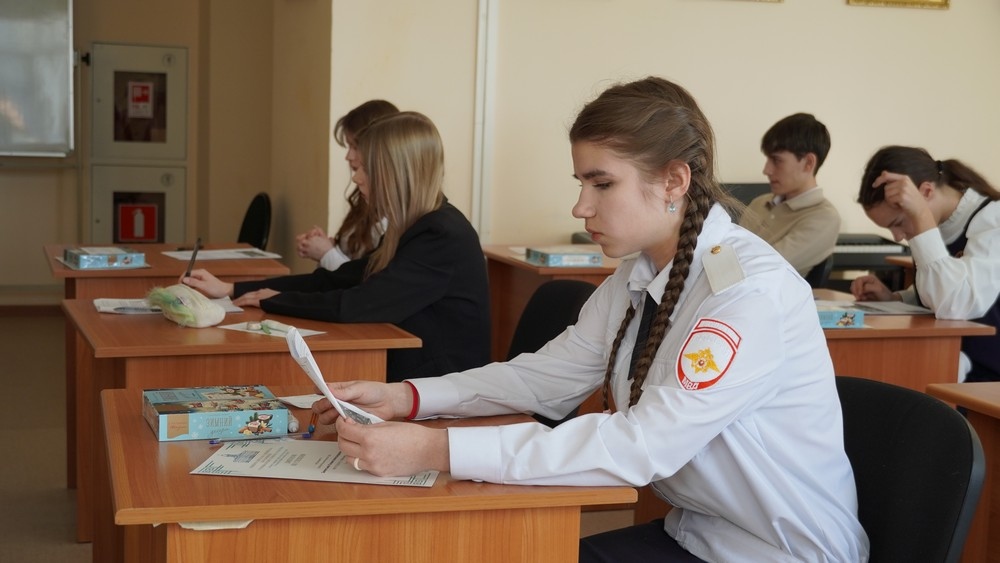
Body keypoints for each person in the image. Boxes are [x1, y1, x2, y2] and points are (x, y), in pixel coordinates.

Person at [314, 77, 868, 562]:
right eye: (581, 183)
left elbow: (640, 446)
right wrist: (407, 397)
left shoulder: (747, 294)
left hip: (777, 552)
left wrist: (438, 450)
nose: (581, 207)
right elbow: (541, 376)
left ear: (674, 182)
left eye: (602, 184)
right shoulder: (639, 274)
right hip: (699, 534)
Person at [184, 112, 491, 382]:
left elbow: (360, 303)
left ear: (396, 174)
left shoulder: (440, 235)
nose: (356, 178)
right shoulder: (414, 226)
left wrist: (274, 301)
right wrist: (234, 289)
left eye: (365, 169)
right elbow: (340, 278)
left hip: (440, 388)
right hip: (413, 374)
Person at [851, 145, 1000, 382]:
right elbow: (937, 292)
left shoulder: (992, 220)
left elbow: (956, 306)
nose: (898, 236)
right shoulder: (931, 224)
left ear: (927, 191)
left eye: (898, 223)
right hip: (945, 359)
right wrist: (896, 298)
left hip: (985, 376)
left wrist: (921, 216)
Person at [295, 99, 399, 271]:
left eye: (355, 147)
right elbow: (353, 260)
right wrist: (329, 246)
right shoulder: (364, 200)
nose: (349, 156)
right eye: (349, 146)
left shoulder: (395, 215)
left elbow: (366, 278)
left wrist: (327, 254)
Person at [738, 113, 840, 277]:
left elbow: (763, 268)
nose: (766, 170)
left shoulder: (824, 218)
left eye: (777, 161)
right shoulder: (759, 203)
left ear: (808, 163)